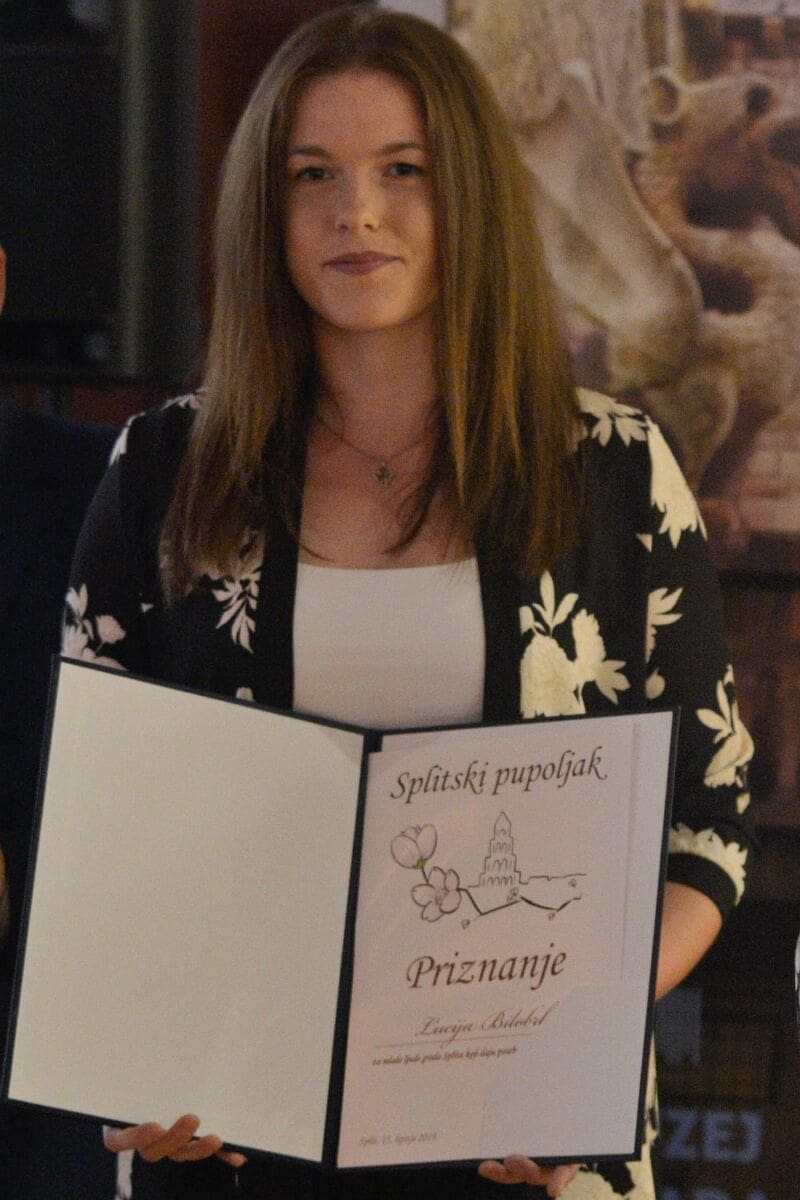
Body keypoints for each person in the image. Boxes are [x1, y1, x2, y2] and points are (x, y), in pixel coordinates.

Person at [62, 6, 755, 1199]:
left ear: (468, 192)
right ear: (263, 207)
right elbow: (98, 818)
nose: (357, 213)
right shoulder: (164, 470)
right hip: (229, 1131)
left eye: (402, 170)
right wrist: (133, 1053)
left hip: (522, 1136)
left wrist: (572, 1027)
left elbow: (707, 820)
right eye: (312, 175)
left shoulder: (613, 471)